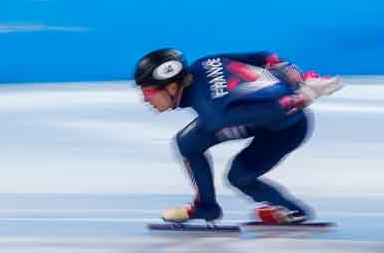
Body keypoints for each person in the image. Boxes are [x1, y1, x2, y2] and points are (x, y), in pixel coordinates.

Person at [135, 46, 341, 226]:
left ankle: (295, 211)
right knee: (187, 142)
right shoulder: (204, 63)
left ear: (172, 87)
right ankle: (206, 206)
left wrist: (304, 96)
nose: (145, 100)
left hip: (287, 127)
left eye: (148, 92)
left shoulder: (214, 112)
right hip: (257, 111)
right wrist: (291, 70)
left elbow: (276, 110)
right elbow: (265, 56)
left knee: (239, 177)